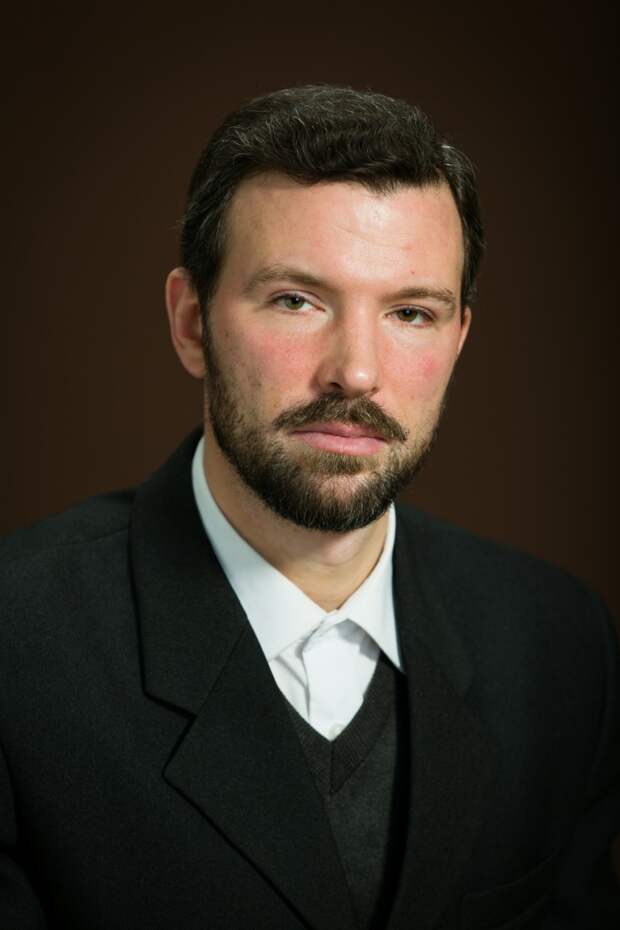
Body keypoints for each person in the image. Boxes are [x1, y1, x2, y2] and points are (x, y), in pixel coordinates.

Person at [0, 85, 618, 930]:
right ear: (191, 323)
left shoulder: (560, 645)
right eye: (297, 300)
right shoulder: (17, 645)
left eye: (411, 312)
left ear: (458, 341)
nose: (355, 372)